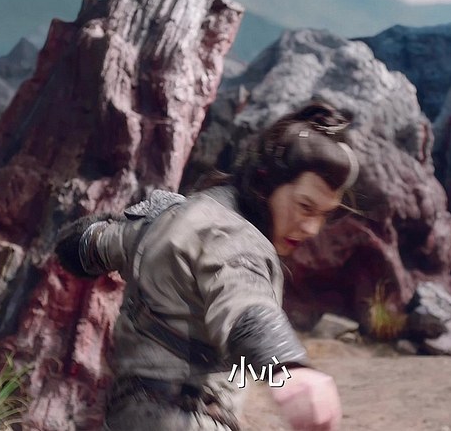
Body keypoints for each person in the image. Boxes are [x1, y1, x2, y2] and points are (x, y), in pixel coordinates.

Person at [55, 100, 359, 431]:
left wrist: (89, 239)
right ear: (265, 181)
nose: (312, 228)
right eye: (305, 207)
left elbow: (85, 245)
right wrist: (288, 367)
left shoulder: (168, 219)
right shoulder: (234, 240)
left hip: (127, 416)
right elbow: (246, 304)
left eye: (324, 215)